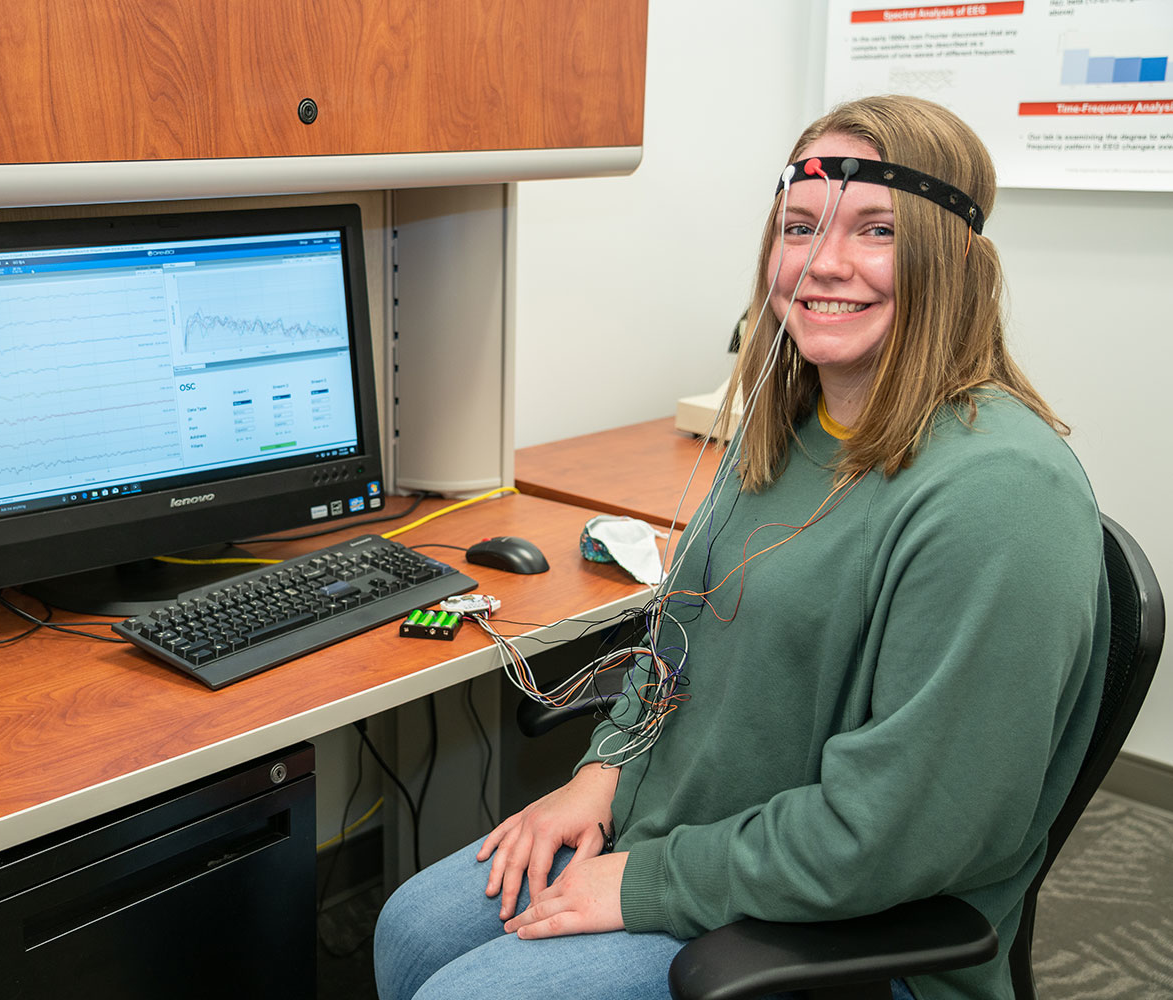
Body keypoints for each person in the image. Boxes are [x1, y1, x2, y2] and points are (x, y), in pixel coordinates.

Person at [372, 95, 1110, 1000]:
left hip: (851, 924)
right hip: (701, 834)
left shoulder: (1000, 495)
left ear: (955, 260)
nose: (824, 264)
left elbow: (903, 833)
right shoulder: (789, 425)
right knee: (407, 930)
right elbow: (676, 644)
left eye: (876, 231)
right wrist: (605, 769)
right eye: (800, 227)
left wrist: (653, 883)